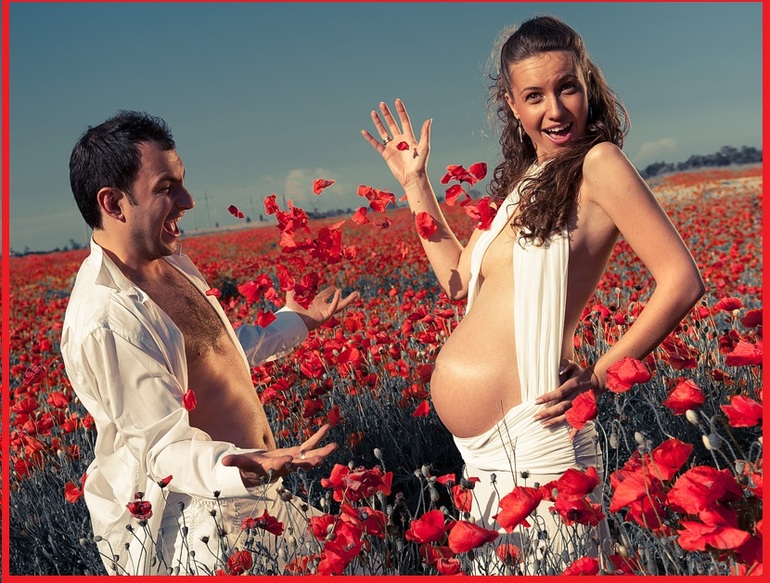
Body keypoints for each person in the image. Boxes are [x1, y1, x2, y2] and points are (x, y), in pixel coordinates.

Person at [362, 15, 704, 574]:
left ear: (588, 84)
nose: (556, 110)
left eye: (567, 87)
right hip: (480, 460)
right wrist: (415, 184)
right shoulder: (521, 187)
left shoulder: (599, 165)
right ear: (512, 106)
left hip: (540, 440)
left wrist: (599, 377)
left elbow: (682, 280)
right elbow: (456, 281)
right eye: (534, 96)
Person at [61, 111, 358, 575]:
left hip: (255, 491)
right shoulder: (107, 319)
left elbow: (216, 351)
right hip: (202, 524)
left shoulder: (169, 264)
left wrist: (295, 323)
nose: (189, 200)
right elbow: (160, 448)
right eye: (166, 188)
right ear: (114, 203)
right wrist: (240, 465)